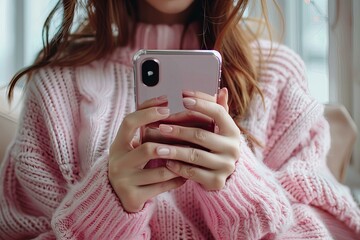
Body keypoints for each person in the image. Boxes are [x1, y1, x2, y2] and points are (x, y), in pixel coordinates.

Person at [1, 0, 359, 239]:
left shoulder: (276, 76)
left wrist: (242, 188)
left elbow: (333, 229)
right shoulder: (56, 87)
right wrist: (107, 206)